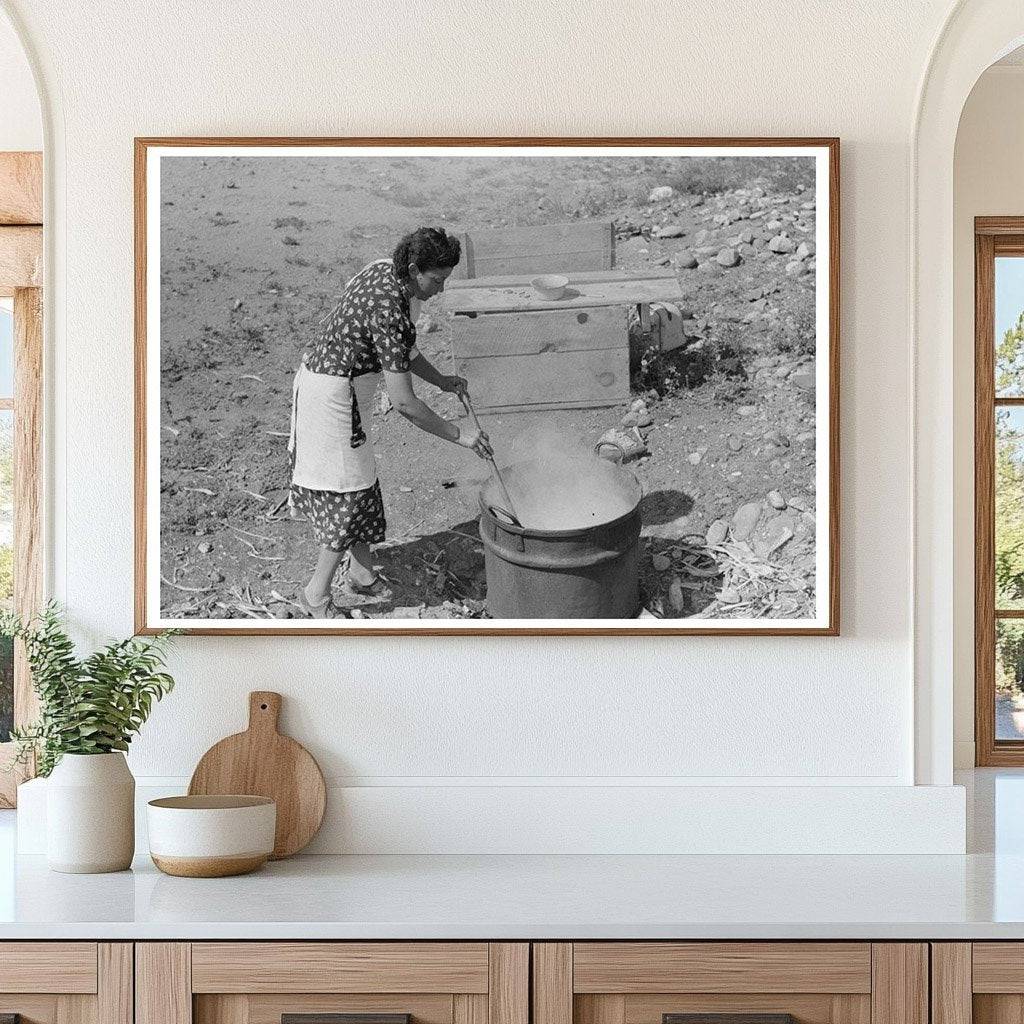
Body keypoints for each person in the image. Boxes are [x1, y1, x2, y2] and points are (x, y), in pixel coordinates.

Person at [288, 227, 492, 617]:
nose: (441, 289)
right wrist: (461, 436)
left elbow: (403, 350)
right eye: (437, 280)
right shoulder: (388, 308)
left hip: (339, 386)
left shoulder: (386, 270)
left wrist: (443, 382)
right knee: (346, 494)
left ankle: (362, 575)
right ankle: (316, 594)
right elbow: (404, 403)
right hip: (333, 397)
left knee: (361, 481)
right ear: (415, 269)